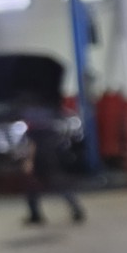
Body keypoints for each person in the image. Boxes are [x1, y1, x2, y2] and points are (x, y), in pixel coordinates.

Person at [19, 95, 85, 226]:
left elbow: (33, 144)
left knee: (32, 185)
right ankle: (76, 209)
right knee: (57, 183)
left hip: (39, 157)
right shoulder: (49, 119)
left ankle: (35, 215)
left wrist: (29, 161)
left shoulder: (32, 123)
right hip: (51, 155)